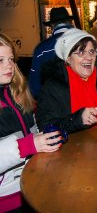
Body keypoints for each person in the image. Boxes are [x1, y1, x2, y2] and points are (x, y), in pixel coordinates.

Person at [0, 33, 62, 212]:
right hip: (6, 200)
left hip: (30, 186)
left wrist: (42, 139)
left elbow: (31, 132)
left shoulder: (16, 93)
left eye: (11, 59)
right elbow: (26, 144)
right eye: (0, 60)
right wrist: (29, 145)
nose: (9, 65)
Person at [36, 28, 97, 133]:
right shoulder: (53, 87)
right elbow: (46, 127)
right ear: (68, 59)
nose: (89, 57)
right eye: (81, 52)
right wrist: (78, 120)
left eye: (91, 51)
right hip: (71, 148)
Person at [28, 7, 74, 100]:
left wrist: (43, 100)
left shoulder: (41, 48)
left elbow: (34, 83)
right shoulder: (87, 40)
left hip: (54, 102)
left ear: (52, 25)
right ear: (70, 22)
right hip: (83, 101)